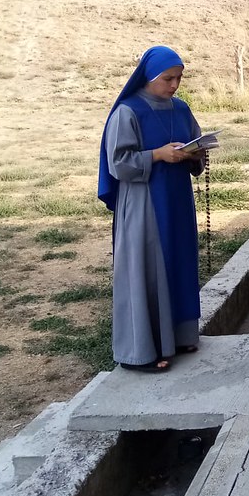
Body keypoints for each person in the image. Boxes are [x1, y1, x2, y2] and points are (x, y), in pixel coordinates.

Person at [97, 45, 205, 373]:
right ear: (149, 76)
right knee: (147, 271)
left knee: (178, 263)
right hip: (143, 203)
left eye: (179, 78)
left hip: (176, 200)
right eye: (168, 79)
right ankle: (141, 351)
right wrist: (157, 155)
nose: (174, 85)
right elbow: (118, 162)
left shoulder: (181, 108)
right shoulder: (128, 112)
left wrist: (193, 153)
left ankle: (181, 335)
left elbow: (196, 141)